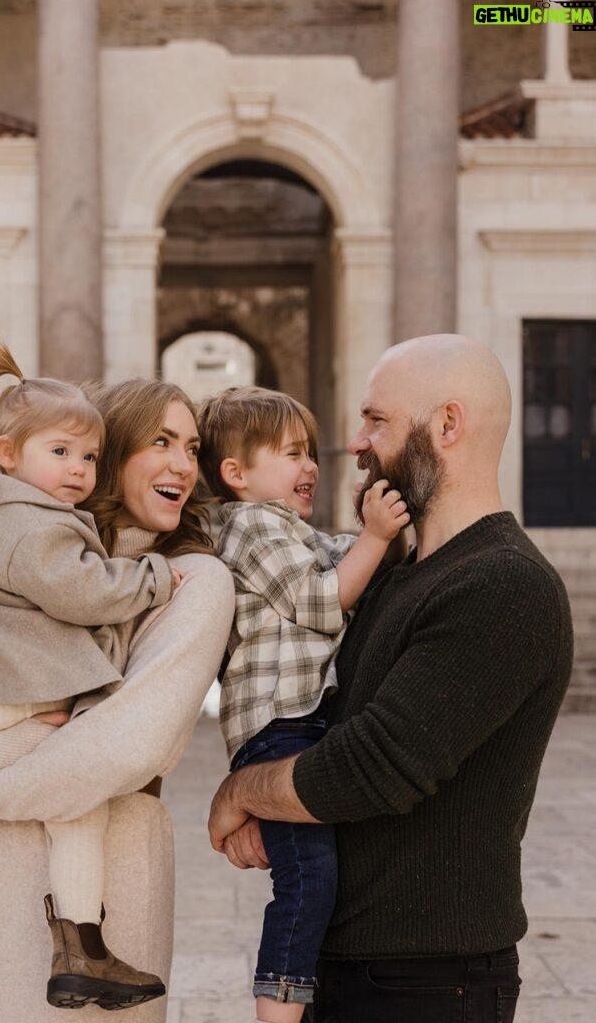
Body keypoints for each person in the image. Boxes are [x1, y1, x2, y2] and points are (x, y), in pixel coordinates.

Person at [208, 334, 573, 1023]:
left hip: (429, 980)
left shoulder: (503, 584)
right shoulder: (393, 576)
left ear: (446, 425)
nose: (355, 441)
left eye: (375, 420)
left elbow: (370, 766)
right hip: (348, 962)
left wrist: (240, 790)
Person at [0, 374, 235, 1023]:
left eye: (192, 448)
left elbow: (126, 745)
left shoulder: (195, 581)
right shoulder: (33, 557)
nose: (183, 465)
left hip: (104, 874)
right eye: (161, 441)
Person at [197, 387, 409, 1023]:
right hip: (278, 724)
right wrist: (375, 535)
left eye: (310, 451)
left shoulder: (288, 529)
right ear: (236, 473)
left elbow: (346, 559)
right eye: (291, 453)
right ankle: (278, 1009)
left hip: (303, 721)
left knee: (314, 871)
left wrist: (374, 537)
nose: (311, 465)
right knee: (306, 880)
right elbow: (323, 600)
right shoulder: (249, 525)